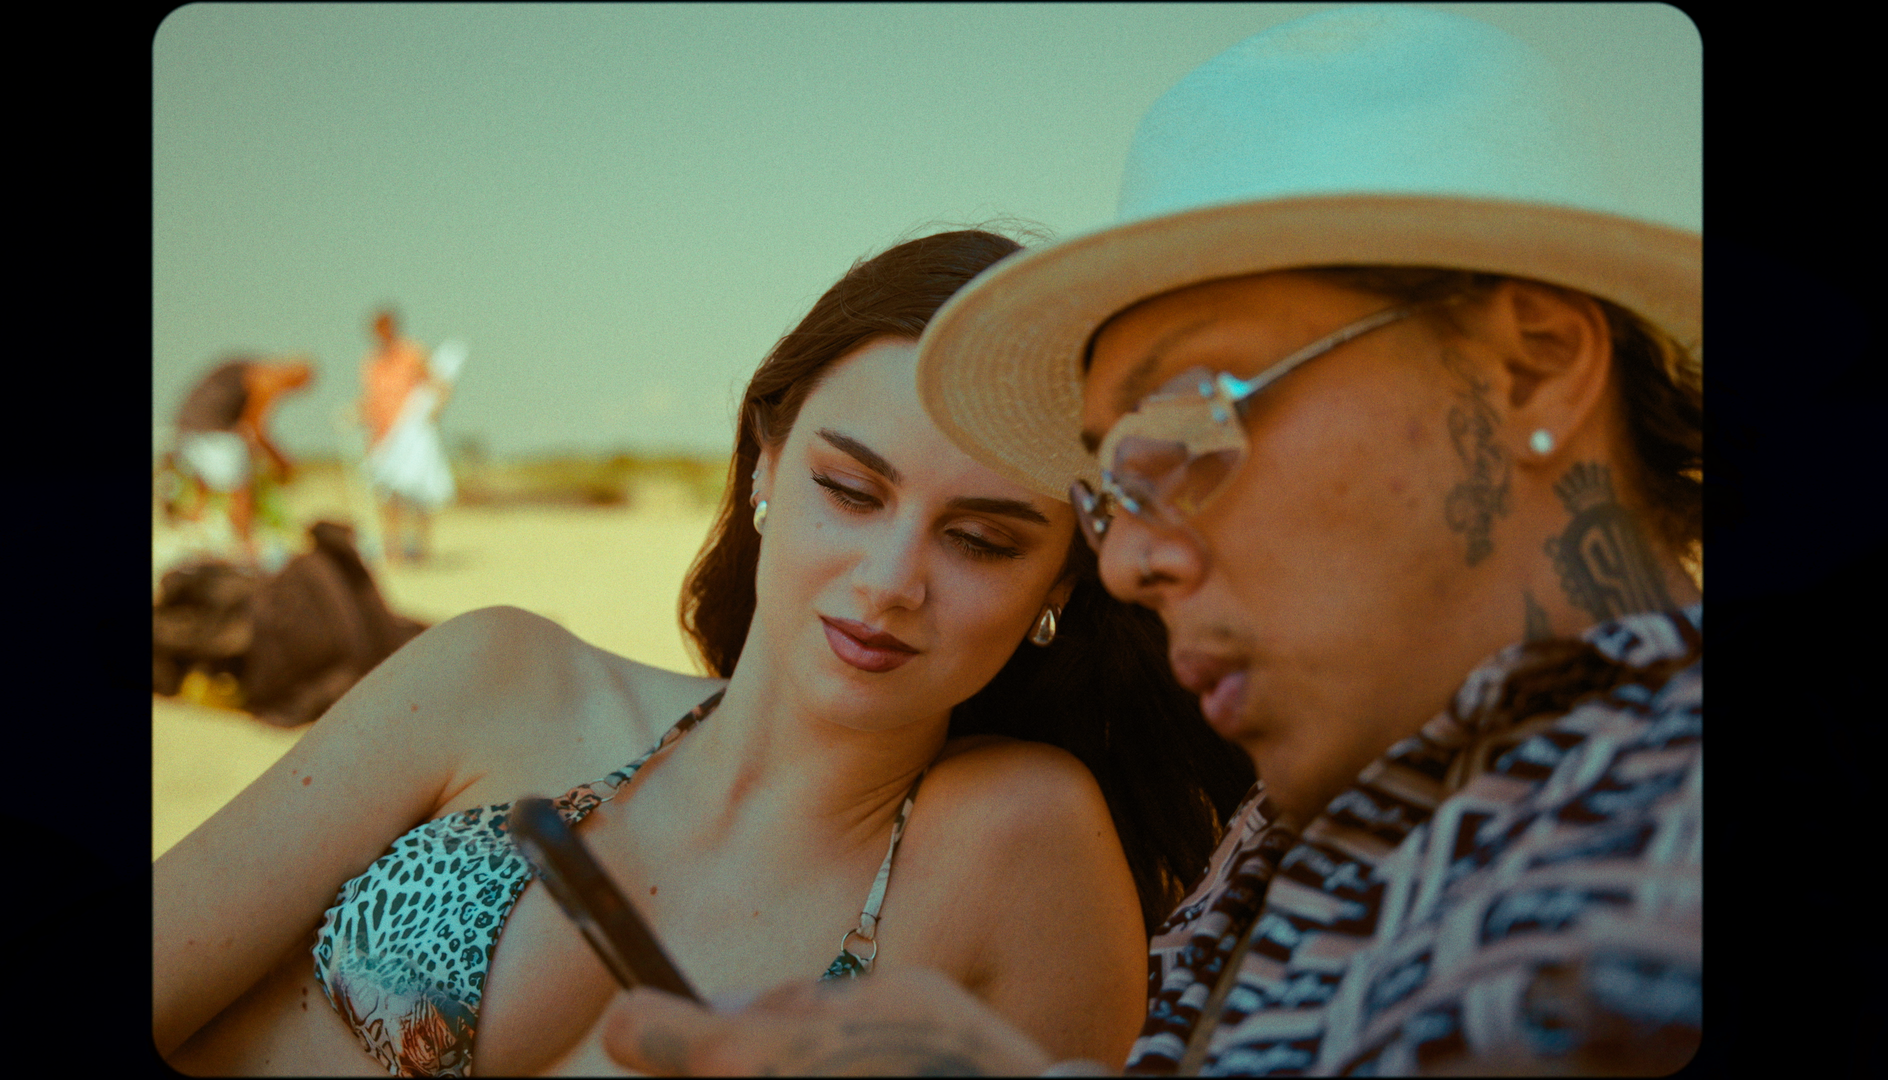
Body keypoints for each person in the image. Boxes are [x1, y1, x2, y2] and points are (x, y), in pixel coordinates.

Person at [598, 6, 1702, 1076]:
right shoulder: (1331, 815)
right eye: (1113, 484)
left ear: (1534, 364)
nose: (1126, 563)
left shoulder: (1662, 868)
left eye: (1186, 431)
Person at [153, 229, 1255, 1076]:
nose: (888, 580)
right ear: (767, 465)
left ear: (1061, 579)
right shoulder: (498, 681)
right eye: (850, 489)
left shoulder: (1019, 842)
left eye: (980, 540)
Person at [167, 354, 315, 559]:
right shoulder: (268, 381)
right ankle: (245, 548)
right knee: (241, 490)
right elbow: (254, 428)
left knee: (204, 488)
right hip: (212, 431)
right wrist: (280, 460)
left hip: (185, 426)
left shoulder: (249, 367)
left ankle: (192, 536)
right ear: (293, 377)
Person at [359, 308, 461, 562]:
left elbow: (441, 385)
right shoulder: (371, 362)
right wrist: (356, 415)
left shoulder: (412, 352)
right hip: (382, 438)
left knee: (419, 493)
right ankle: (393, 550)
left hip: (411, 436)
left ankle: (422, 550)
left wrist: (435, 411)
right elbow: (370, 401)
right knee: (387, 496)